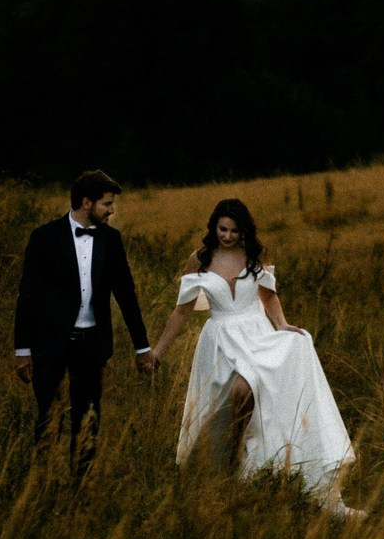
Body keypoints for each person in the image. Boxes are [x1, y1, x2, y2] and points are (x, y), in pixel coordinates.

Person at [145, 198, 359, 516]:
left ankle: (252, 468)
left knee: (245, 393)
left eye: (233, 230)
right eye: (222, 229)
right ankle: (227, 476)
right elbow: (182, 310)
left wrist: (282, 325)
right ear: (213, 227)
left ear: (243, 230)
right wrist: (157, 352)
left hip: (256, 335)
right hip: (219, 342)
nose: (227, 236)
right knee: (220, 410)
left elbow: (268, 295)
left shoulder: (255, 254)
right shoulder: (200, 258)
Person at [12, 169, 153, 467]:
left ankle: (81, 488)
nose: (112, 210)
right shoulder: (44, 237)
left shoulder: (112, 240)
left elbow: (126, 295)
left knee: (88, 418)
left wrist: (142, 347)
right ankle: (41, 486)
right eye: (107, 204)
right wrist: (22, 349)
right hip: (50, 343)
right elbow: (28, 296)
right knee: (49, 417)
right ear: (86, 203)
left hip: (92, 344)